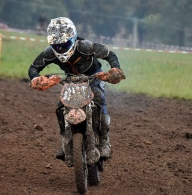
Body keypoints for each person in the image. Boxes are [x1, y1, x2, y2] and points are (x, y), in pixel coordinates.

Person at [28, 17, 125, 166]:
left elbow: (110, 54)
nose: (60, 49)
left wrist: (114, 69)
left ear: (72, 38)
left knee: (98, 97)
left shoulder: (85, 46)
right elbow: (33, 68)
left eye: (64, 45)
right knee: (61, 107)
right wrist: (36, 79)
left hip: (94, 76)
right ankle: (65, 141)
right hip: (71, 80)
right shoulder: (50, 53)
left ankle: (105, 141)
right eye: (57, 46)